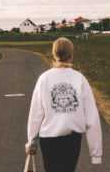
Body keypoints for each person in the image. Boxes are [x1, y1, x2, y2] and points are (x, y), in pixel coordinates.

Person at [25, 37, 102, 172]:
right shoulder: (80, 78)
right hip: (72, 140)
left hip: (48, 139)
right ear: (71, 55)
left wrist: (32, 142)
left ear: (54, 54)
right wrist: (95, 153)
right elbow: (92, 117)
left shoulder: (44, 78)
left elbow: (36, 114)